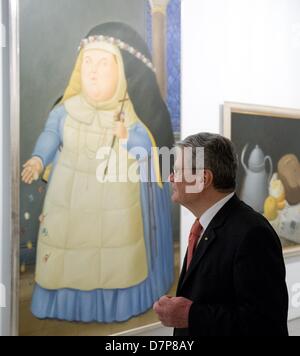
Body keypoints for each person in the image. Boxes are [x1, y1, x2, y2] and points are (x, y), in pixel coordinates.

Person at [21, 22, 174, 323]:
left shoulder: (129, 113)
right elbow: (51, 135)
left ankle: (113, 306)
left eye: (103, 64)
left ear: (121, 72)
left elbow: (147, 147)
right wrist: (38, 159)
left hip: (114, 203)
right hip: (69, 199)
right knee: (69, 253)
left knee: (112, 257)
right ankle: (65, 305)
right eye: (87, 63)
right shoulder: (66, 110)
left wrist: (128, 137)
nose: (92, 71)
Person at [154, 132, 289, 336]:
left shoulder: (253, 233)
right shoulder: (204, 226)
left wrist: (191, 315)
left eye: (177, 171)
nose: (171, 177)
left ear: (204, 178)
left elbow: (266, 324)